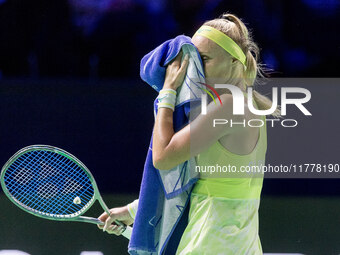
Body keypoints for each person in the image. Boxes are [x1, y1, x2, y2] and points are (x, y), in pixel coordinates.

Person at [98, 13, 279, 254]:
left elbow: (163, 158)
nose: (196, 69)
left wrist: (167, 92)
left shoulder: (229, 105)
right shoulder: (246, 105)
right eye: (194, 59)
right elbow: (200, 183)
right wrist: (133, 211)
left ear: (234, 62)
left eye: (204, 59)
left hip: (209, 245)